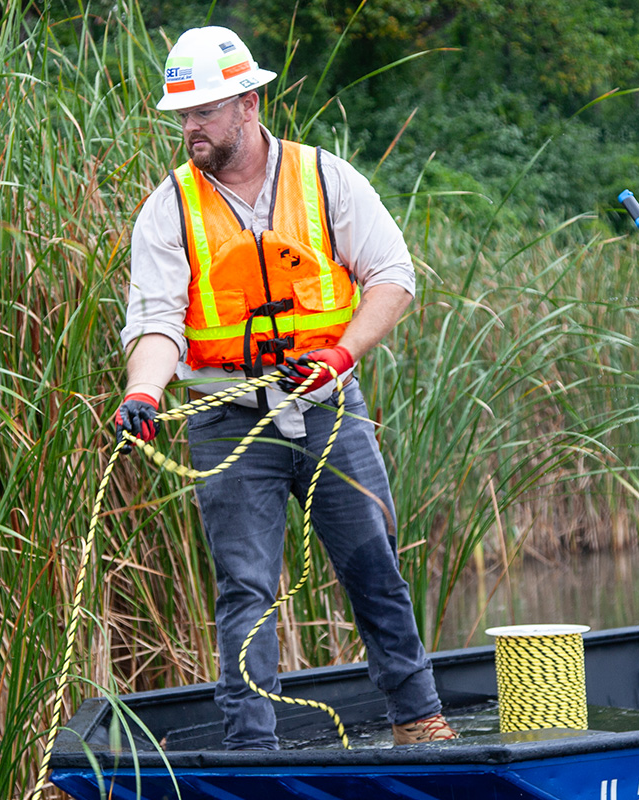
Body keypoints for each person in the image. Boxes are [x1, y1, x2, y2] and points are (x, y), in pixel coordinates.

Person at [110, 26, 455, 749]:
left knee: (375, 566)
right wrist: (142, 393)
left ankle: (420, 724)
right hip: (228, 421)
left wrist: (340, 354)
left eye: (205, 110)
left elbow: (394, 278)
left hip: (329, 404)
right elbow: (156, 325)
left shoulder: (327, 179)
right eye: (183, 112)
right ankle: (251, 752)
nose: (191, 126)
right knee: (246, 589)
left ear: (249, 103)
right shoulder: (166, 209)